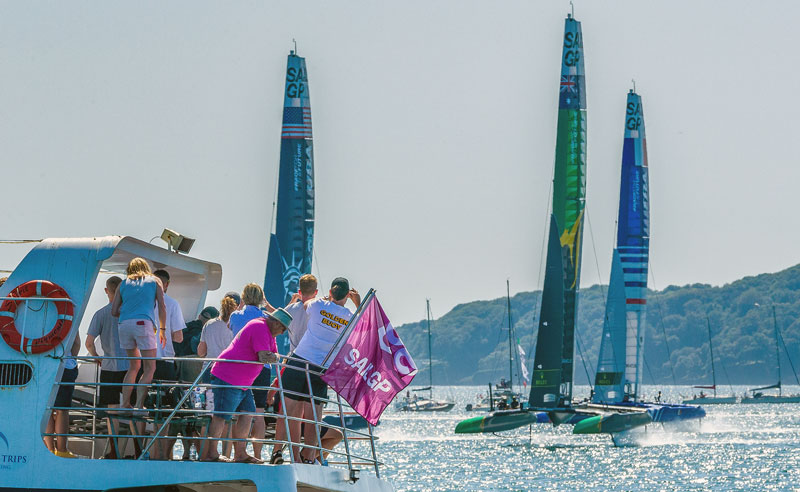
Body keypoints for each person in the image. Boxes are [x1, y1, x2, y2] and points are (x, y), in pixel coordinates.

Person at [274, 277, 359, 465]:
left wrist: (326, 300)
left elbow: (305, 304)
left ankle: (291, 456)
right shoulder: (350, 317)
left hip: (299, 361)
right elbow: (363, 324)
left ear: (329, 292)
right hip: (321, 367)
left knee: (291, 413)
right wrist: (357, 302)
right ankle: (309, 457)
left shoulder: (317, 304)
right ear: (347, 295)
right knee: (314, 416)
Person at [201, 308, 292, 463]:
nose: (282, 332)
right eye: (282, 328)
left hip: (242, 382)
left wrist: (274, 357)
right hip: (228, 377)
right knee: (221, 415)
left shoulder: (269, 333)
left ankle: (240, 453)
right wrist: (275, 357)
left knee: (248, 413)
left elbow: (272, 355)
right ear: (275, 322)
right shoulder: (259, 327)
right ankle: (211, 453)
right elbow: (265, 356)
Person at [111, 257, 167, 413]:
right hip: (143, 324)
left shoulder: (122, 284)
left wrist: (129, 312)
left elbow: (114, 311)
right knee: (150, 367)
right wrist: (162, 330)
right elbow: (162, 307)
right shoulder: (155, 281)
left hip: (124, 325)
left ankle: (125, 404)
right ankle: (139, 406)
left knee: (133, 366)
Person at [229, 283, 276, 460]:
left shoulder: (235, 315)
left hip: (240, 368)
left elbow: (231, 331)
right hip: (262, 369)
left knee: (240, 413)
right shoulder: (267, 318)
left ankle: (238, 452)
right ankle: (258, 454)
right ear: (261, 299)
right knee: (259, 414)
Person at [85, 276, 128, 458]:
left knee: (112, 410)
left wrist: (97, 357)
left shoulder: (101, 314)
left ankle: (114, 450)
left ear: (106, 291)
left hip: (109, 366)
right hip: (130, 367)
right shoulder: (130, 313)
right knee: (133, 407)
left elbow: (89, 343)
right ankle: (138, 448)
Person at [44, 332, 81, 458]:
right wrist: (73, 358)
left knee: (46, 410)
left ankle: (50, 449)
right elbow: (76, 342)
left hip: (43, 363)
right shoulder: (69, 315)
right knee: (62, 410)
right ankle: (62, 450)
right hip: (65, 365)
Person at [152, 269, 185, 382]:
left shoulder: (142, 302)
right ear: (166, 284)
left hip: (143, 358)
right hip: (164, 358)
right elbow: (178, 337)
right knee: (165, 396)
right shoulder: (172, 304)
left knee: (142, 394)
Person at [284, 274, 318, 353]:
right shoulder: (322, 310)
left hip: (294, 360)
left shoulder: (290, 309)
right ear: (316, 292)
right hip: (314, 360)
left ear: (299, 292)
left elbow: (275, 320)